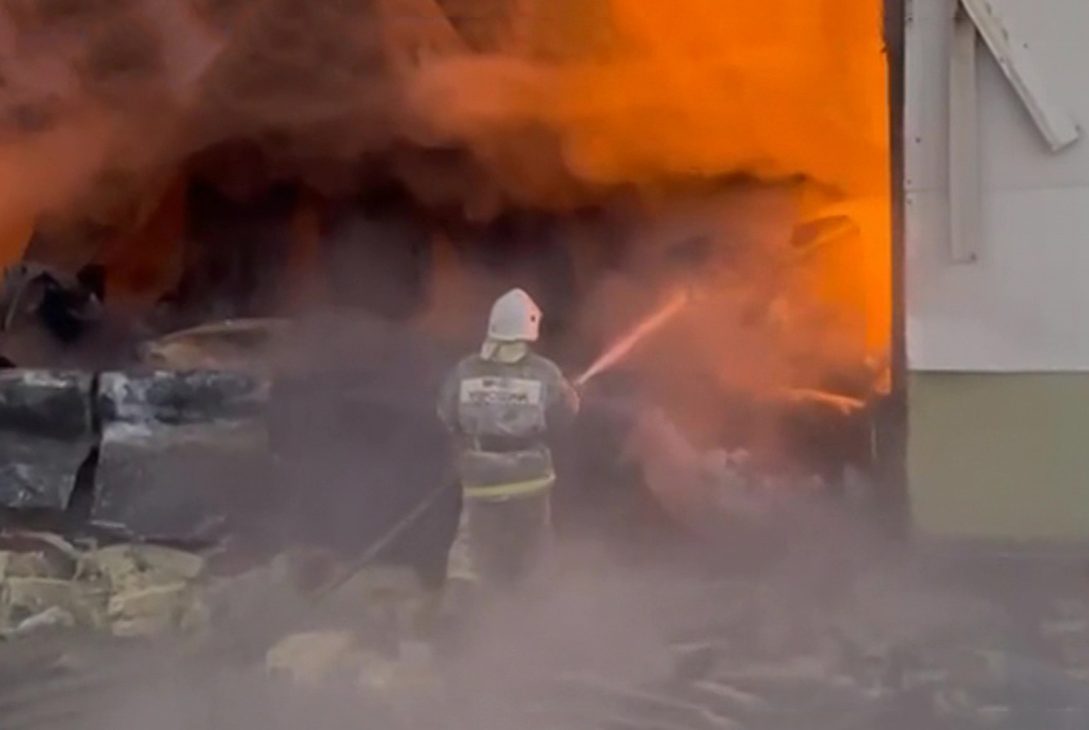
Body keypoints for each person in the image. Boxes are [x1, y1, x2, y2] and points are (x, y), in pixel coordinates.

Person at [436, 288, 579, 609]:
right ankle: (528, 618)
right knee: (534, 552)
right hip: (530, 480)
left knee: (469, 550)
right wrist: (571, 396)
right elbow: (564, 418)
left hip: (479, 478)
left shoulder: (465, 370)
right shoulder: (544, 372)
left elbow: (446, 415)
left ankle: (457, 612)